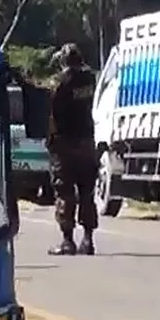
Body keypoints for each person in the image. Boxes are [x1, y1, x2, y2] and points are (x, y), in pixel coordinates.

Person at [47, 43, 99, 256]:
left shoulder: (59, 83)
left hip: (64, 144)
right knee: (87, 192)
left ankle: (68, 241)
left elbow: (47, 102)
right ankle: (88, 241)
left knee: (65, 192)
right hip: (86, 142)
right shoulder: (90, 80)